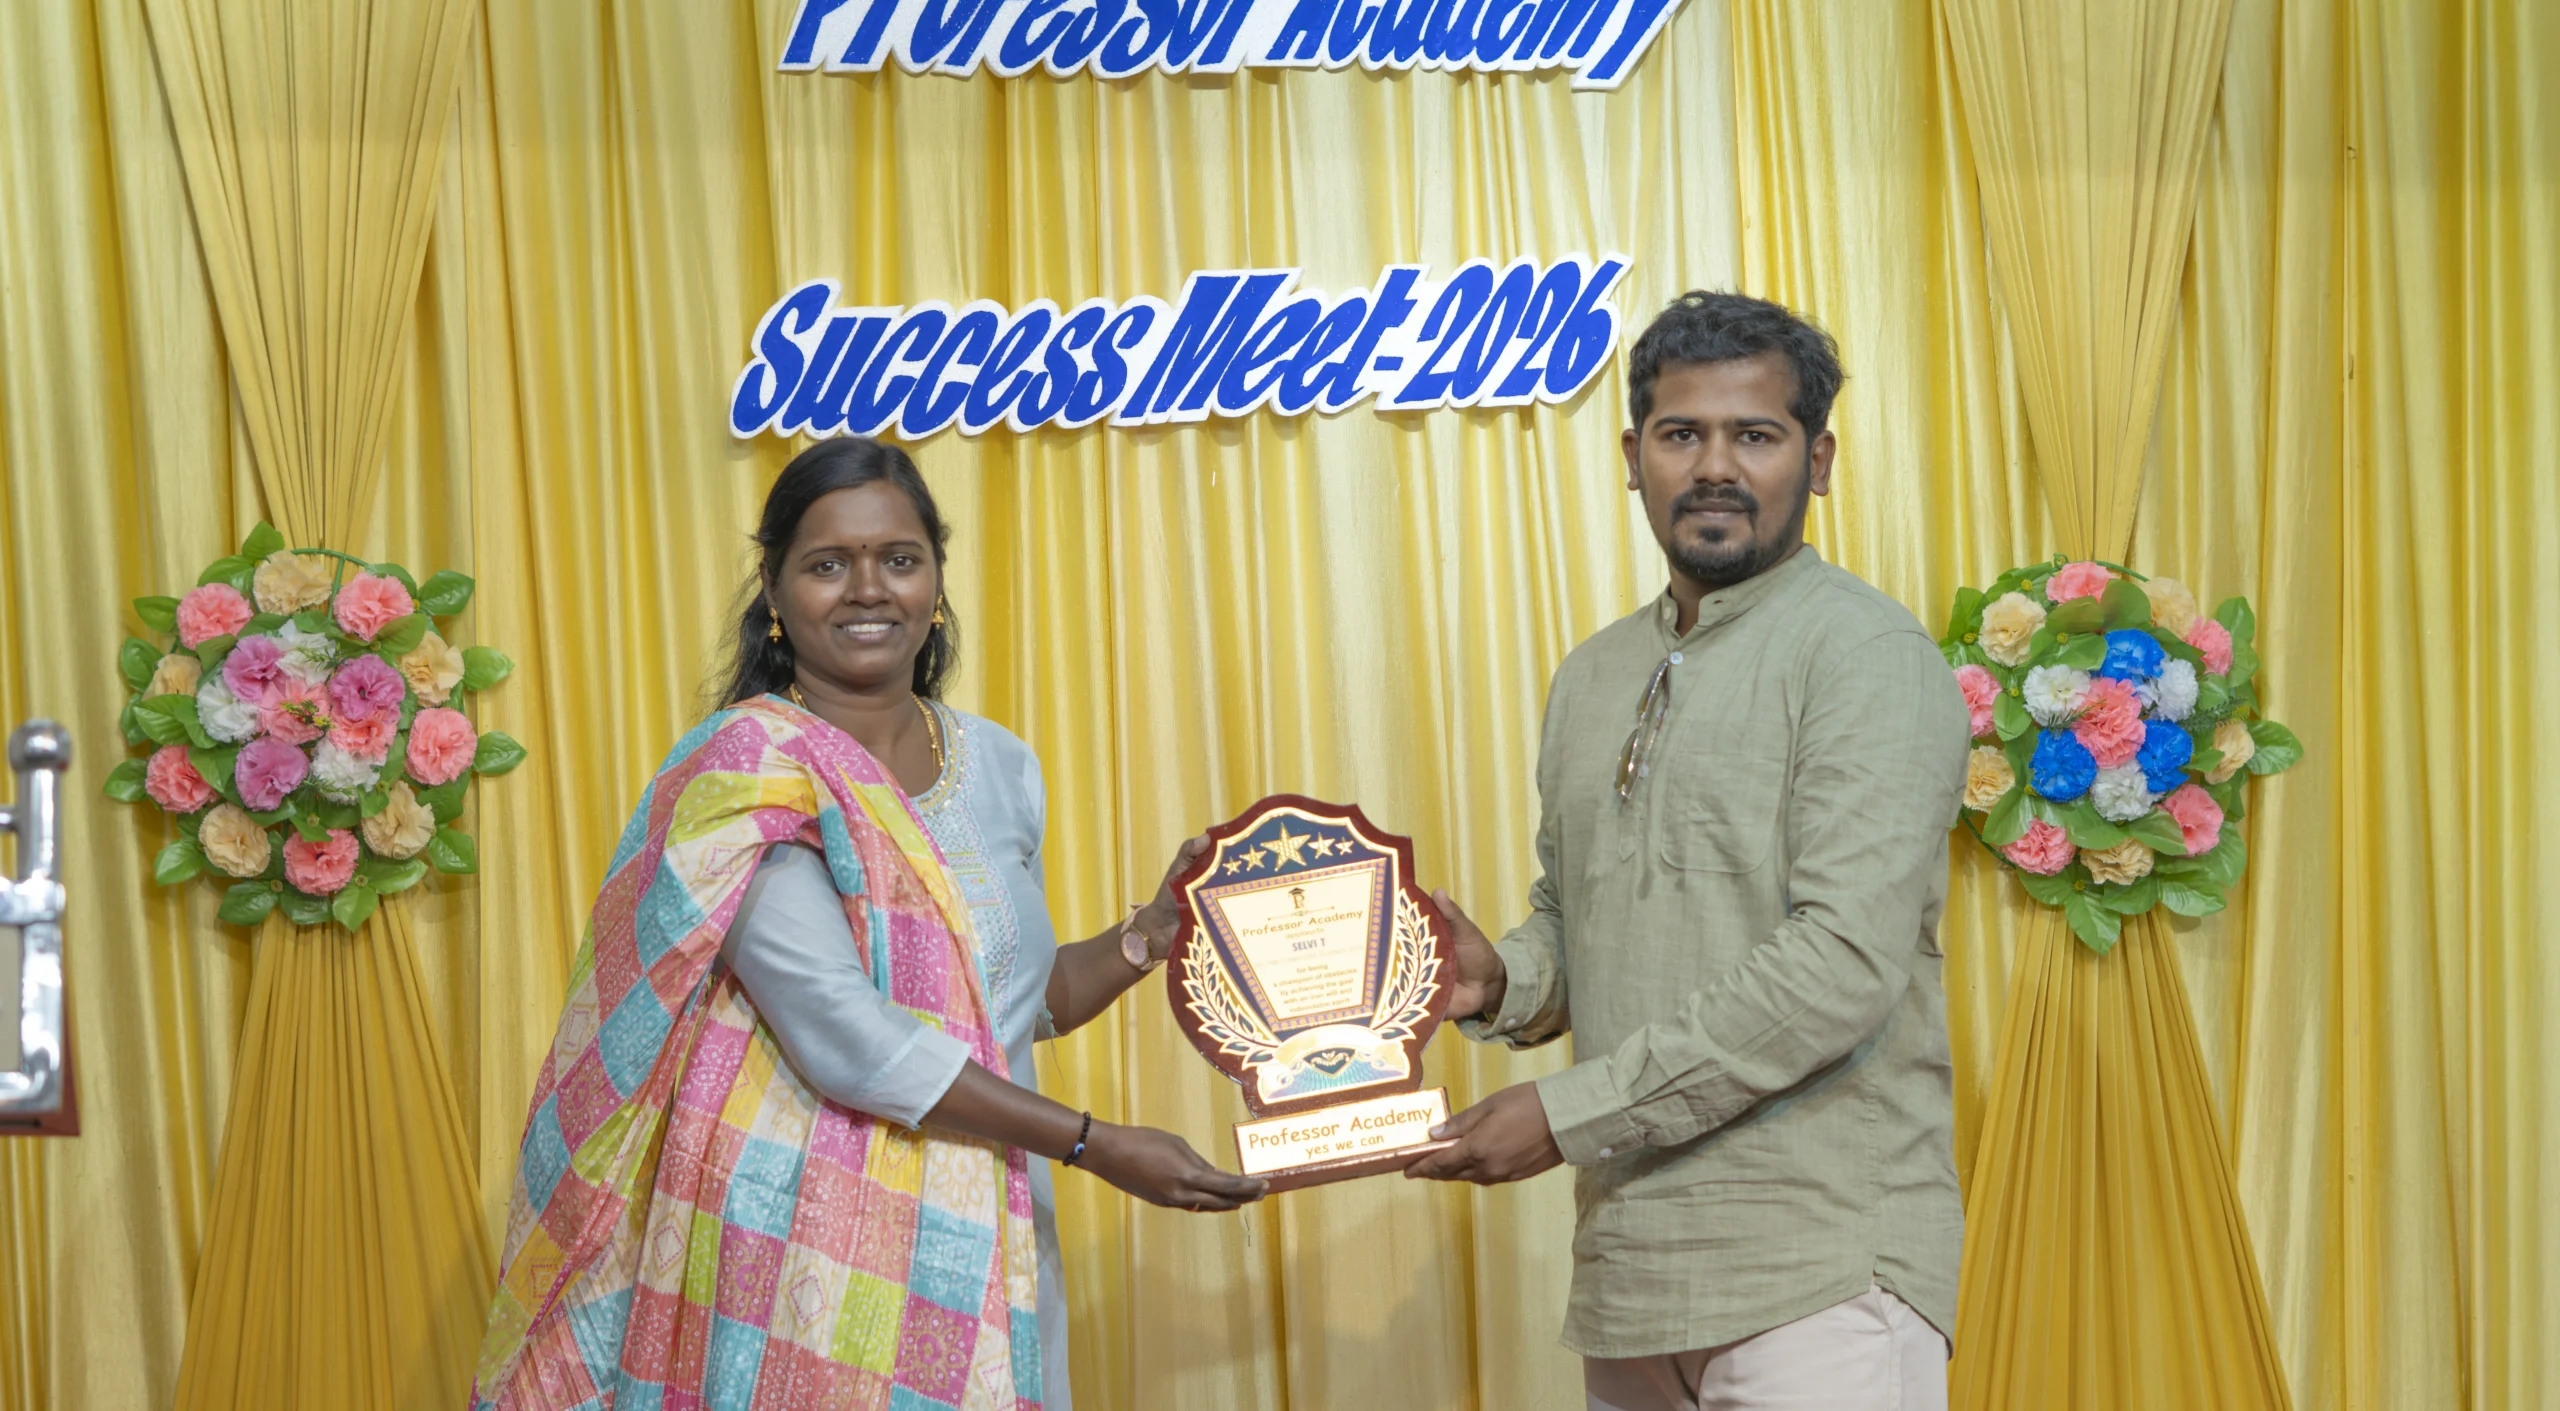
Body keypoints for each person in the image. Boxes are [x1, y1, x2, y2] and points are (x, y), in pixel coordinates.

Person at [474, 437, 1262, 1411]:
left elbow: (1015, 1003)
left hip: (999, 1213)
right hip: (815, 1248)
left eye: (898, 558)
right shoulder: (754, 770)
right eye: (827, 564)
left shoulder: (1000, 764)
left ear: (935, 579)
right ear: (774, 588)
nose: (868, 589)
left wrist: (1150, 935)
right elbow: (850, 1039)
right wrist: (1093, 1142)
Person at [1407, 292, 1972, 1411]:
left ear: (1817, 462)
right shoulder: (1595, 674)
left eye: (1754, 435)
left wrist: (1567, 1114)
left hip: (1818, 1267)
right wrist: (1499, 978)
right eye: (1681, 434)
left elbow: (1840, 966)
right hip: (1632, 1275)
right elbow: (1581, 915)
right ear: (1634, 459)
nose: (1715, 466)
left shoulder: (1864, 654)